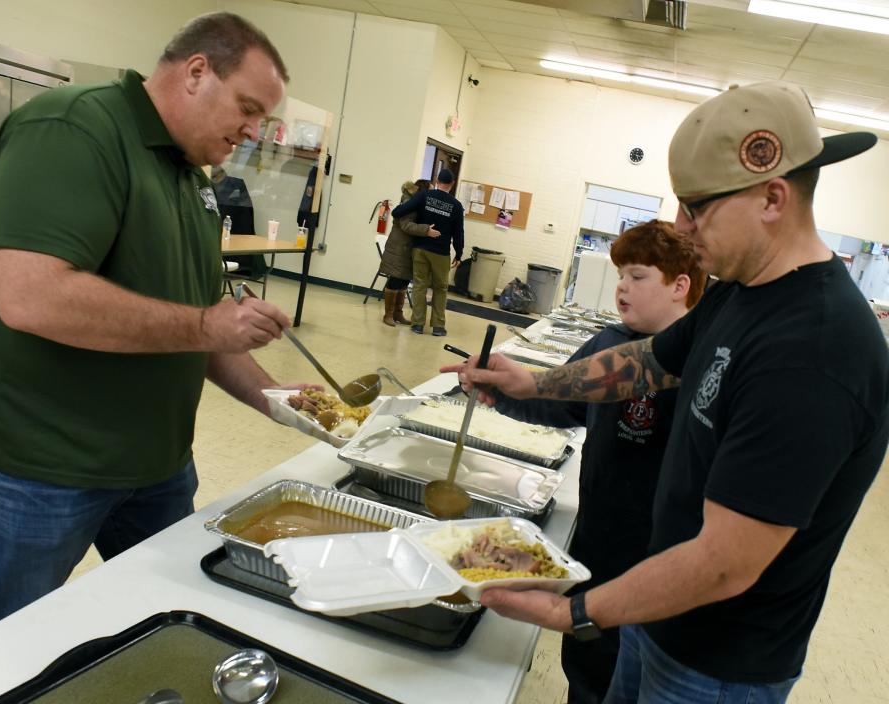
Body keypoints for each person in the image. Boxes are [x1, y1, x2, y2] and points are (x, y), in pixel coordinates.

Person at [444, 81, 889, 702]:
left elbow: (725, 564)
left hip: (716, 665)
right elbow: (650, 361)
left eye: (696, 207)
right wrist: (534, 382)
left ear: (772, 197)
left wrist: (576, 612)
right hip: (656, 616)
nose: (681, 227)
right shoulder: (744, 288)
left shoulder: (815, 352)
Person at [0, 12, 318, 640]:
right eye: (248, 108)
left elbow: (204, 327)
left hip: (151, 466)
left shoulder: (192, 179)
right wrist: (202, 325)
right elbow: (30, 295)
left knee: (171, 618)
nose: (252, 132)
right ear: (196, 72)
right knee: (10, 643)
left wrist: (283, 401)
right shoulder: (75, 127)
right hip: (34, 464)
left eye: (263, 120)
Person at [491, 219, 707, 703]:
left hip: (656, 556)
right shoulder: (609, 343)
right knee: (587, 666)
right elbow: (561, 401)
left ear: (680, 286)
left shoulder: (699, 362)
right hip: (598, 539)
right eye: (620, 276)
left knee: (631, 673)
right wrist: (500, 394)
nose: (623, 288)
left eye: (638, 276)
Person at [392, 168, 464, 337]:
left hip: (420, 249)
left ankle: (417, 324)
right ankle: (438, 326)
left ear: (437, 181)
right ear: (452, 184)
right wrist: (459, 254)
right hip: (441, 252)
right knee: (440, 288)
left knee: (419, 286)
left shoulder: (424, 196)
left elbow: (398, 212)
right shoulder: (456, 205)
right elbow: (458, 233)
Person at [378, 178, 440, 327]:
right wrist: (426, 230)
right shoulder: (409, 204)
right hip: (399, 247)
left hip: (408, 248)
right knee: (396, 280)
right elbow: (406, 226)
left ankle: (398, 314)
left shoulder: (417, 203)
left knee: (404, 280)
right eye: (430, 191)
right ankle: (388, 314)